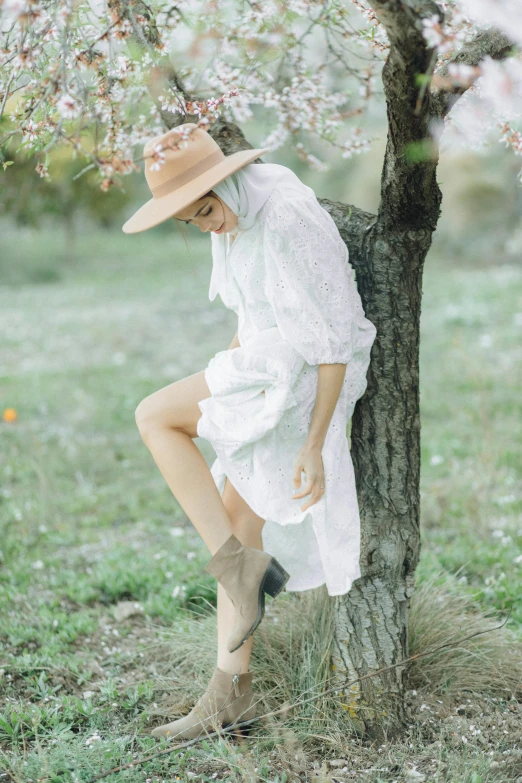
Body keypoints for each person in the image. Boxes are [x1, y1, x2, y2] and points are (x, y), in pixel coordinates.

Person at [121, 122, 377, 741]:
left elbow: (334, 338)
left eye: (205, 210)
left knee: (154, 415)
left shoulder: (286, 213)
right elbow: (248, 312)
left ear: (227, 180)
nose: (205, 225)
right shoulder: (231, 212)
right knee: (238, 516)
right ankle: (229, 698)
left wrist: (314, 444)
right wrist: (226, 378)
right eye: (190, 220)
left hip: (310, 375)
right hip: (267, 364)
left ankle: (238, 568)